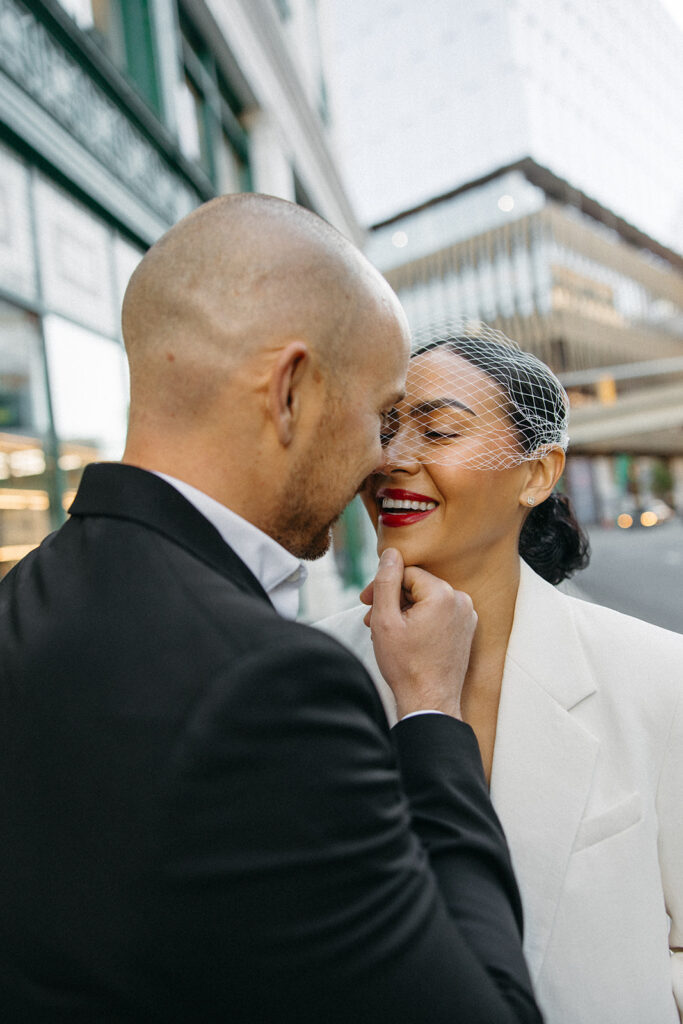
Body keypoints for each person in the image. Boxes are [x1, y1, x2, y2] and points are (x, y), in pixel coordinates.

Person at [0, 198, 543, 1023]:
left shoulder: (27, 595)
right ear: (291, 391)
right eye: (380, 414)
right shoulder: (267, 684)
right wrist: (432, 710)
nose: (382, 458)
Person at [318, 322, 683, 1024]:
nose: (394, 458)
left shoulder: (660, 677)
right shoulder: (308, 670)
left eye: (438, 431)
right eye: (386, 429)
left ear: (537, 474)